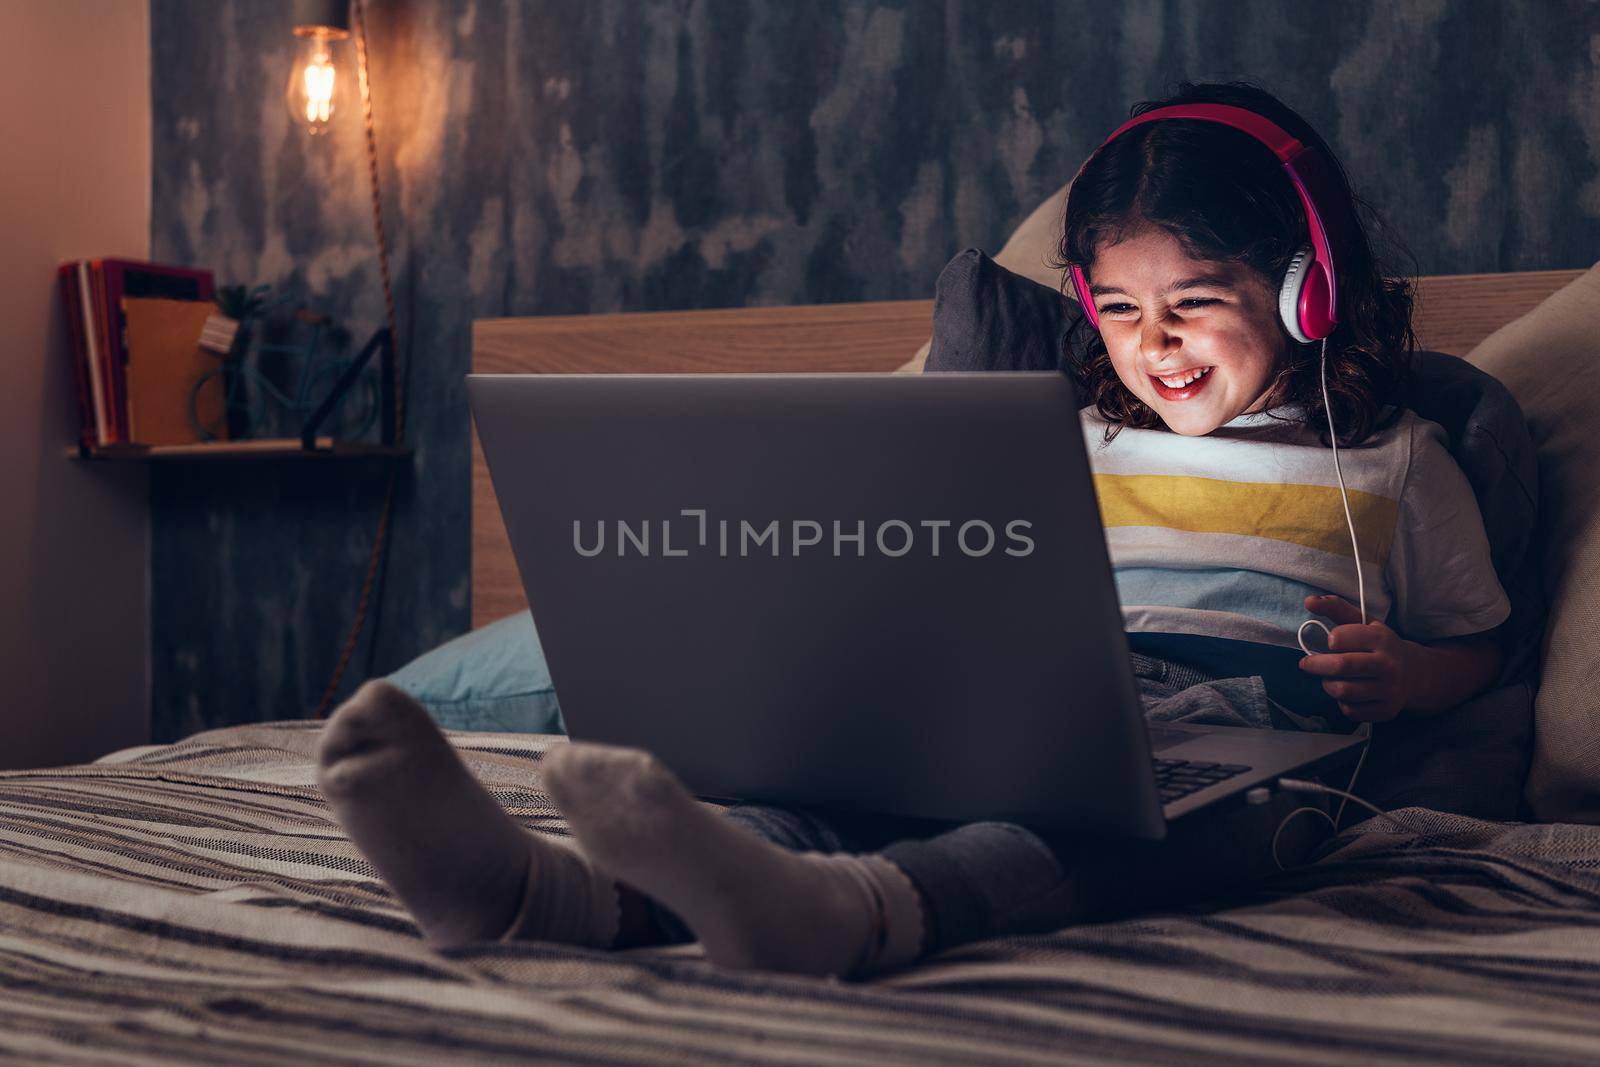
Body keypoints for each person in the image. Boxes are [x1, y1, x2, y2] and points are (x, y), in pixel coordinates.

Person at [316, 81, 1510, 981]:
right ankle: (547, 897)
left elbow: (1479, 652)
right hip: (1050, 726)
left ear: (1308, 292)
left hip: (1233, 776)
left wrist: (1404, 675)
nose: (1156, 345)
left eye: (1194, 304)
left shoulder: (1399, 464)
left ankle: (854, 912)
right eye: (1125, 310)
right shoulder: (1074, 442)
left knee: (1049, 835)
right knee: (825, 786)